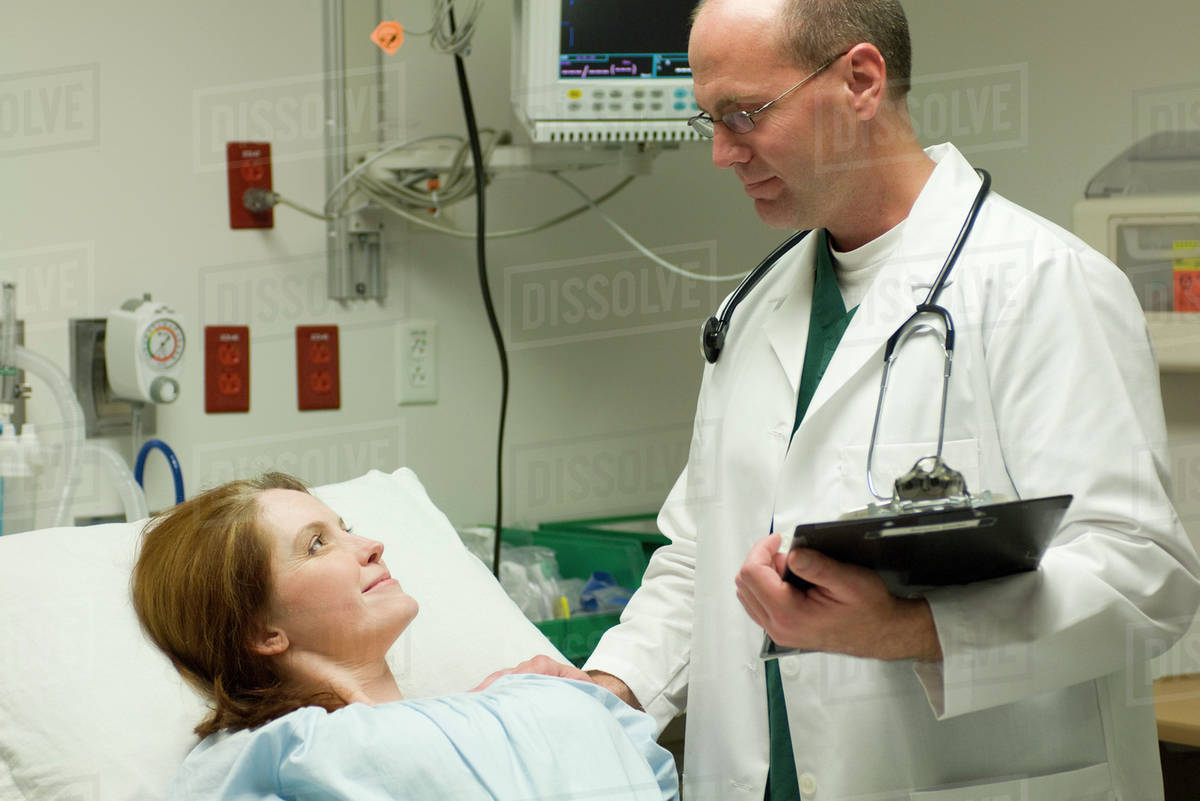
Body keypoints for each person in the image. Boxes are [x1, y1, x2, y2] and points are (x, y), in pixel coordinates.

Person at [561, 1, 1200, 800]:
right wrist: (603, 692)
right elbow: (703, 559)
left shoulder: (1042, 283)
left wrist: (904, 631)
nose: (723, 152)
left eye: (745, 115)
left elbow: (1144, 574)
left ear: (860, 80)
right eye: (709, 121)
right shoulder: (753, 312)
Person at [130, 473, 678, 800]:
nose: (370, 545)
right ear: (262, 632)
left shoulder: (522, 704)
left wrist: (509, 711)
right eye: (317, 544)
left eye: (346, 527)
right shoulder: (264, 759)